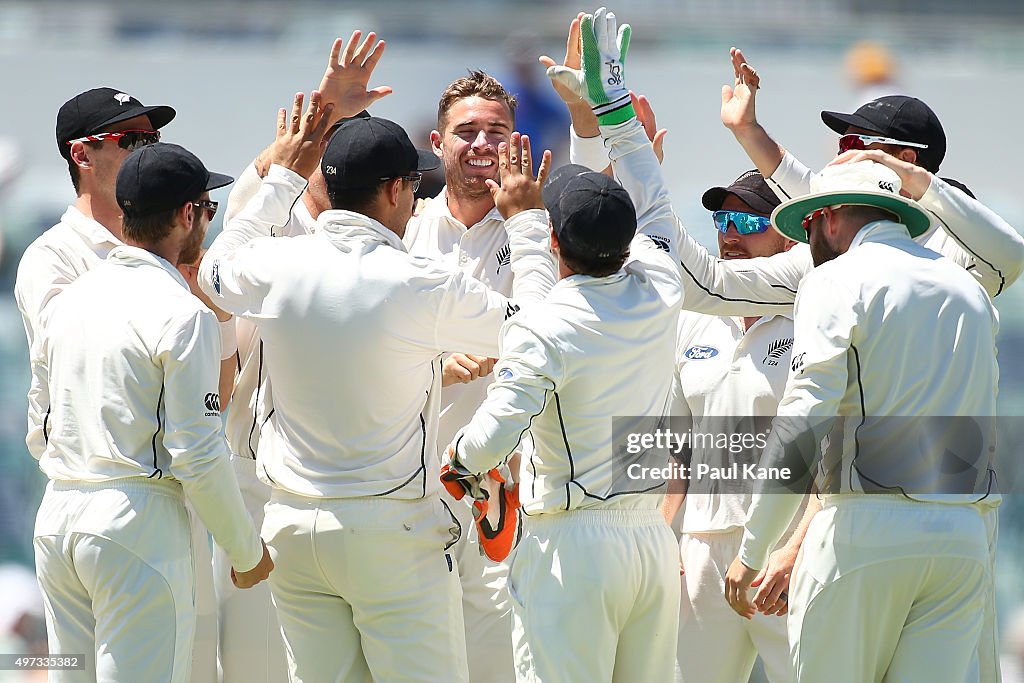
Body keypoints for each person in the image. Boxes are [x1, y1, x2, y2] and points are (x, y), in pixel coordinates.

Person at [198, 88, 555, 681]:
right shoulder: (419, 279)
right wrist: (528, 223)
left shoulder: (277, 264)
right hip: (391, 532)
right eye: (412, 185)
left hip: (294, 529)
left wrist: (282, 180)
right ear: (394, 191)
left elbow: (214, 271)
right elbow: (542, 330)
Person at [447, 10, 681, 681]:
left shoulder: (549, 321)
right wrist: (608, 107)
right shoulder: (660, 282)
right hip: (649, 543)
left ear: (556, 242)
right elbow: (655, 199)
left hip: (570, 546)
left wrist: (459, 457)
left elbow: (490, 440)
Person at [723, 159, 997, 682]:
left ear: (828, 217)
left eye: (806, 227)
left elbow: (803, 421)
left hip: (865, 533)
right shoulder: (968, 289)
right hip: (962, 539)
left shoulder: (836, 279)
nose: (807, 242)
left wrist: (753, 550)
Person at [29, 142, 272, 682]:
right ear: (188, 214)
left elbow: (39, 423)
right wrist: (245, 549)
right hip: (135, 523)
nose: (207, 222)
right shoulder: (183, 314)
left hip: (58, 515)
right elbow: (198, 453)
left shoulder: (70, 298)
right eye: (208, 210)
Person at [212, 33, 387, 683]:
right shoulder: (273, 220)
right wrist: (323, 108)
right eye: (331, 151)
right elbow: (250, 196)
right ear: (311, 154)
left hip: (360, 490)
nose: (344, 169)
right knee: (256, 666)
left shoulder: (389, 234)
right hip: (263, 483)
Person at [403, 68, 545, 683]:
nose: (483, 144)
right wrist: (435, 367)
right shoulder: (402, 229)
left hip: (506, 485)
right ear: (438, 144)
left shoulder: (540, 229)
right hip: (411, 479)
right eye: (468, 132)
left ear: (518, 141)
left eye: (498, 131)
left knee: (494, 662)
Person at [662, 170, 819, 683]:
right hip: (702, 546)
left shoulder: (814, 317)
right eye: (722, 219)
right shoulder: (694, 315)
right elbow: (674, 444)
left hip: (784, 549)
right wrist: (664, 530)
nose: (729, 233)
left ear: (790, 235)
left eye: (748, 220)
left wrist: (797, 549)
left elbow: (833, 447)